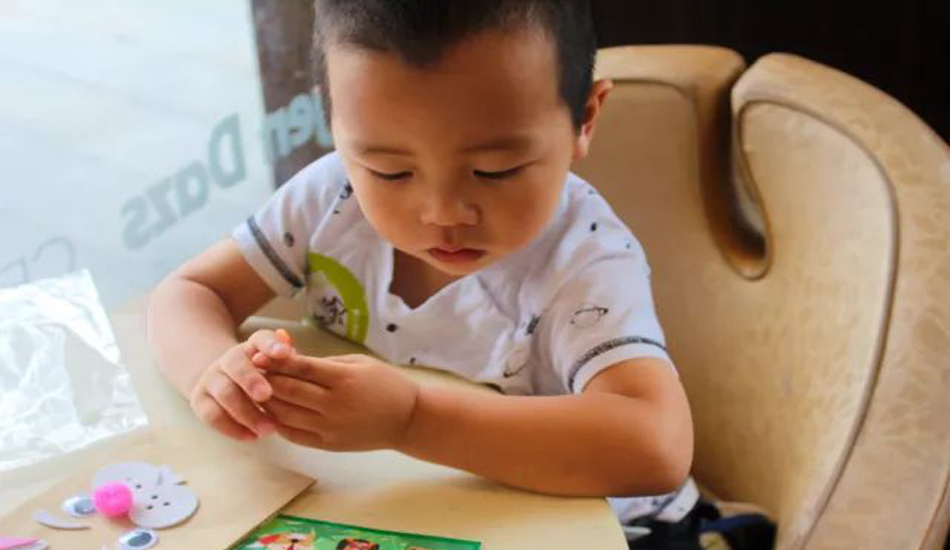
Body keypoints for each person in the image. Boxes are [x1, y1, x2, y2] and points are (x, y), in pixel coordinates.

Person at [147, 0, 693, 536]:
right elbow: (190, 291)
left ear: (585, 118)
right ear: (334, 121)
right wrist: (216, 374)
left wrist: (412, 419)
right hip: (408, 508)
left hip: (609, 527)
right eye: (390, 172)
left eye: (495, 170)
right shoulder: (330, 195)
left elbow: (656, 446)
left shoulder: (584, 260)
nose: (443, 213)